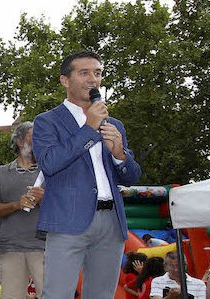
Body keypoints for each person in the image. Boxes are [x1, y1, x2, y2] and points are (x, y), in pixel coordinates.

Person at [32, 50, 142, 299]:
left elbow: (131, 177)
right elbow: (50, 163)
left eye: (98, 73)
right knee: (57, 295)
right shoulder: (47, 122)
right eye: (84, 72)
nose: (93, 79)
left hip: (111, 224)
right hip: (67, 221)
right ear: (65, 80)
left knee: (102, 295)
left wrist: (119, 155)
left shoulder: (114, 124)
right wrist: (88, 128)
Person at [0, 121, 45, 299]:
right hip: (10, 247)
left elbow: (65, 207)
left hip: (45, 245)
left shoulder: (49, 172)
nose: (40, 140)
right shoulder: (0, 173)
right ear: (20, 142)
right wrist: (17, 204)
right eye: (35, 136)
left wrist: (45, 199)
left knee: (52, 295)